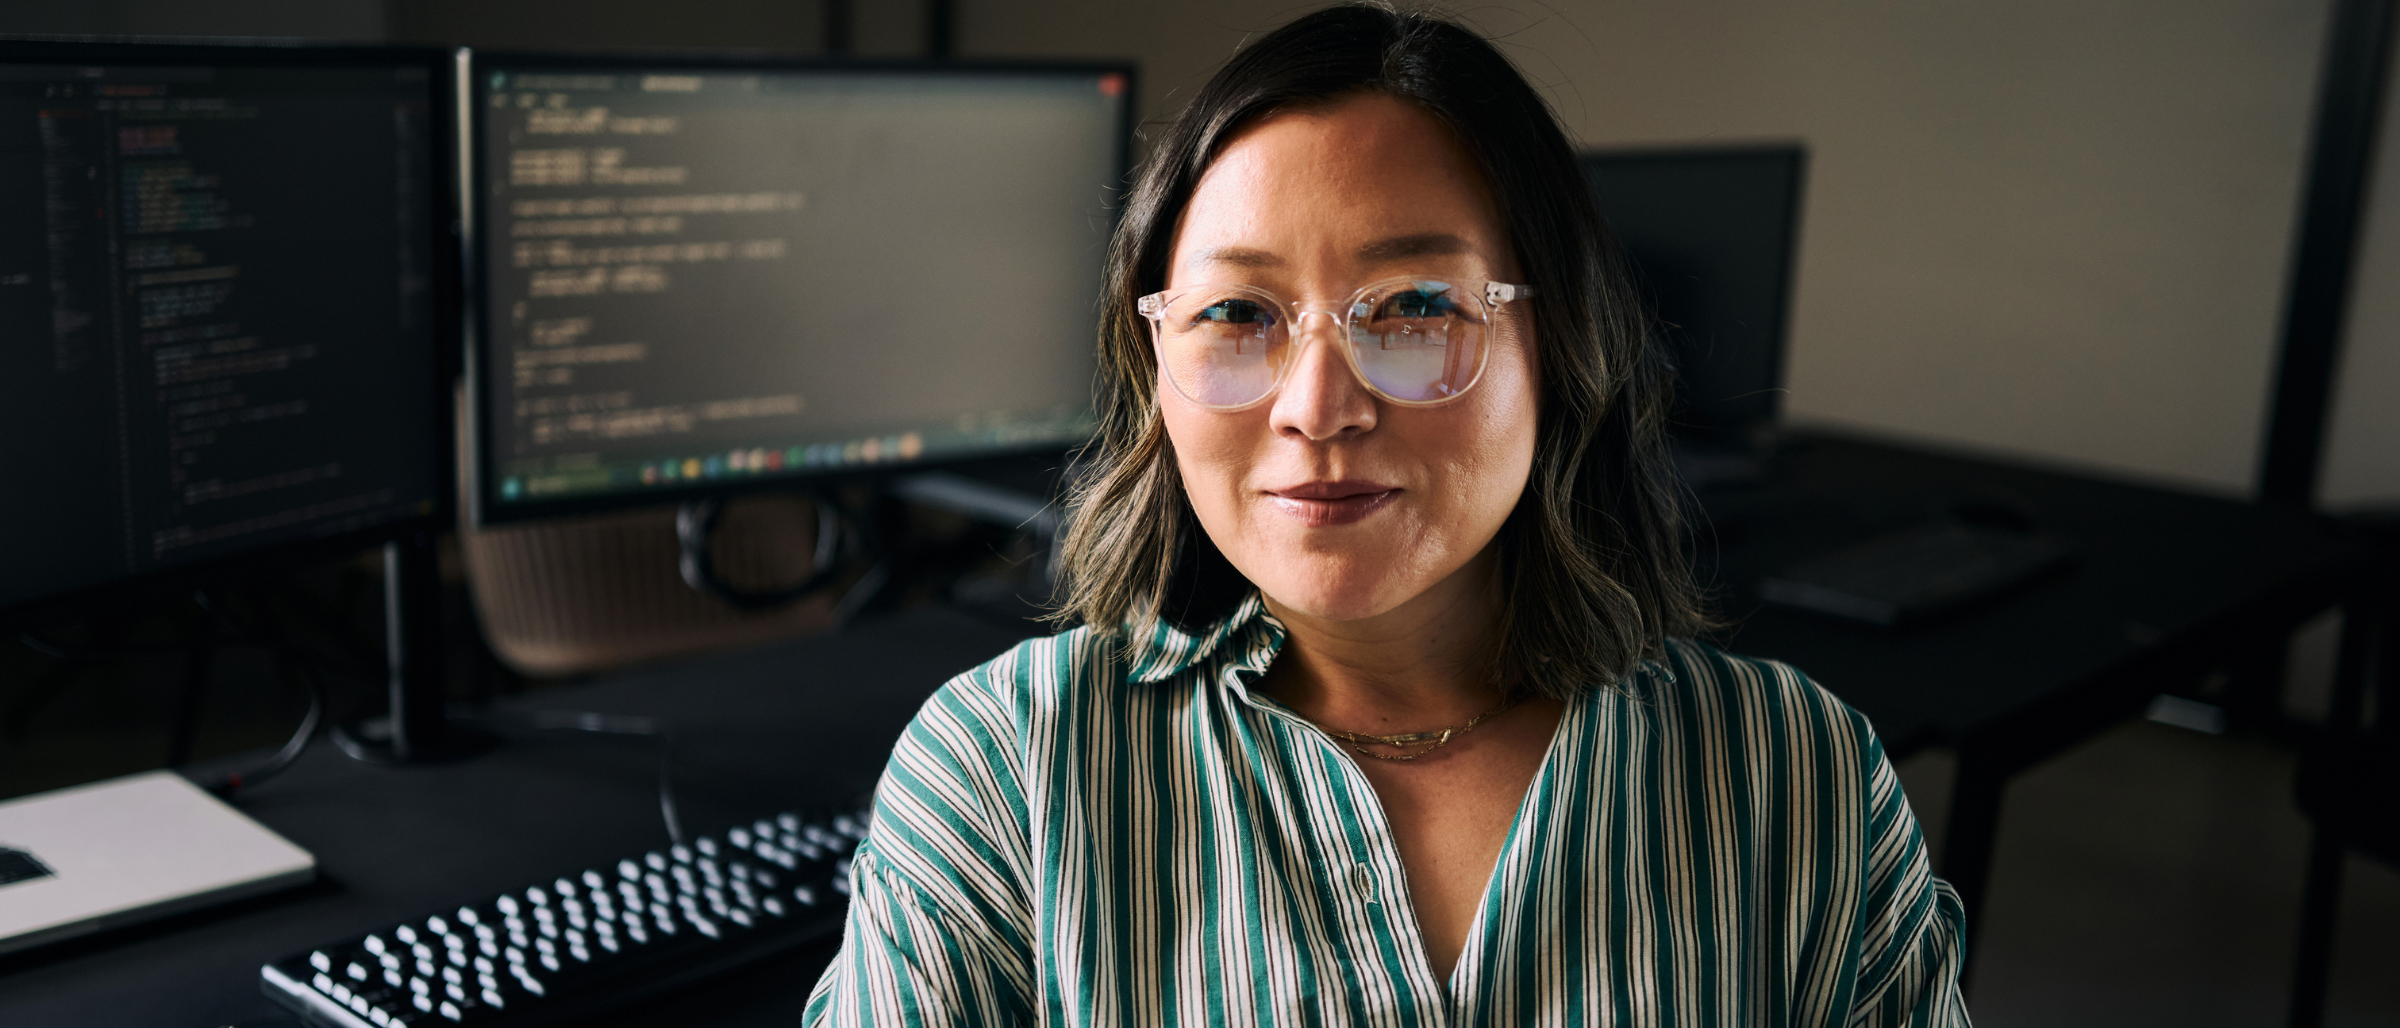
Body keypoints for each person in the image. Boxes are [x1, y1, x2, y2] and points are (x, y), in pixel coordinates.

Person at [806, 5, 1969, 1025]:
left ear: (1559, 342)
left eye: (1414, 306)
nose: (1318, 407)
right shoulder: (1005, 771)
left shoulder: (1791, 772)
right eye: (1237, 313)